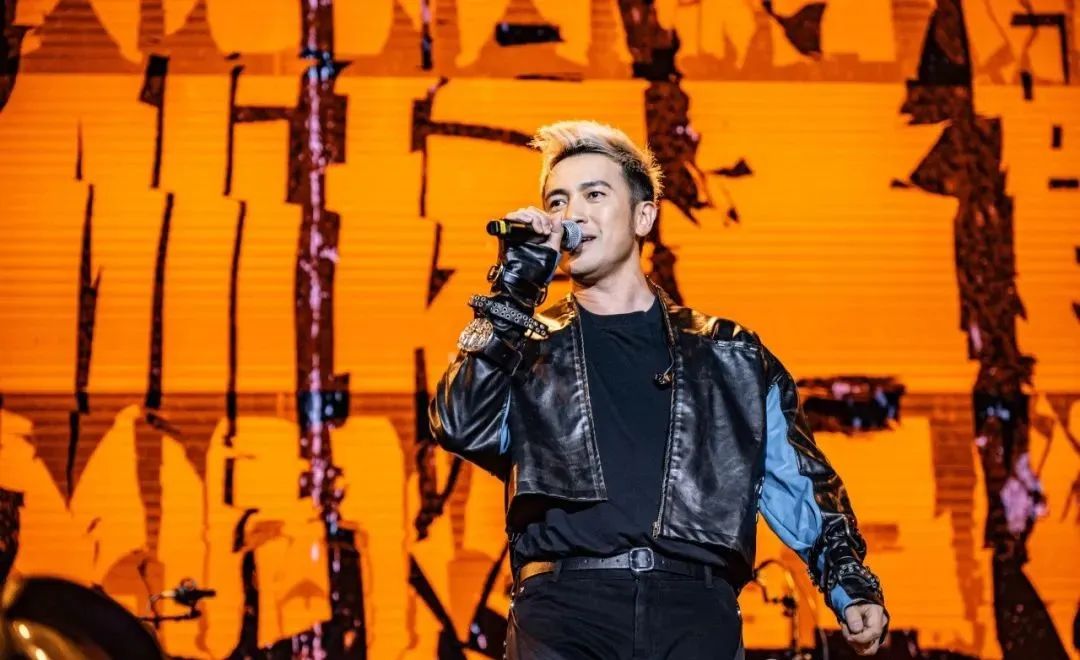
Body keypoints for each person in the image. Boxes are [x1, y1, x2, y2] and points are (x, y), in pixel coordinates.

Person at [430, 120, 887, 659]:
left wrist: (849, 581)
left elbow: (797, 480)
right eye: (557, 201)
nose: (572, 213)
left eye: (594, 195)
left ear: (643, 216)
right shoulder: (528, 346)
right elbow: (458, 424)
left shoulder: (730, 354)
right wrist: (515, 291)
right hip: (563, 616)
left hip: (695, 614)